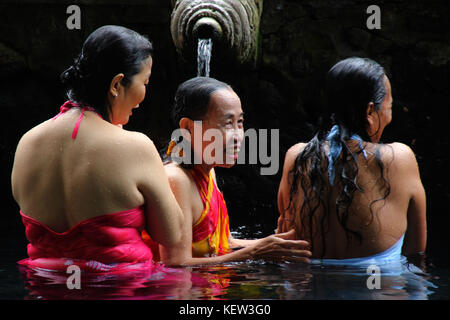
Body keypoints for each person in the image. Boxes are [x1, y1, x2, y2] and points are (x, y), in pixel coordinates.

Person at [11, 25, 183, 272]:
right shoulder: (135, 147)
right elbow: (172, 234)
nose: (145, 95)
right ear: (116, 85)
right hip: (122, 290)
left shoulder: (27, 142)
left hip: (45, 287)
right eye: (145, 82)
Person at [148, 77, 311, 266]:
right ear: (188, 128)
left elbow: (222, 244)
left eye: (239, 122)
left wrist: (280, 243)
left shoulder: (208, 172)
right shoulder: (177, 180)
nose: (238, 136)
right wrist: (256, 252)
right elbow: (176, 263)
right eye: (227, 124)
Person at [277, 57, 426, 263]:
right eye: (389, 108)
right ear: (369, 111)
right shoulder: (400, 158)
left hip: (305, 290)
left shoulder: (296, 157)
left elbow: (283, 234)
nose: (390, 117)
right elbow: (416, 252)